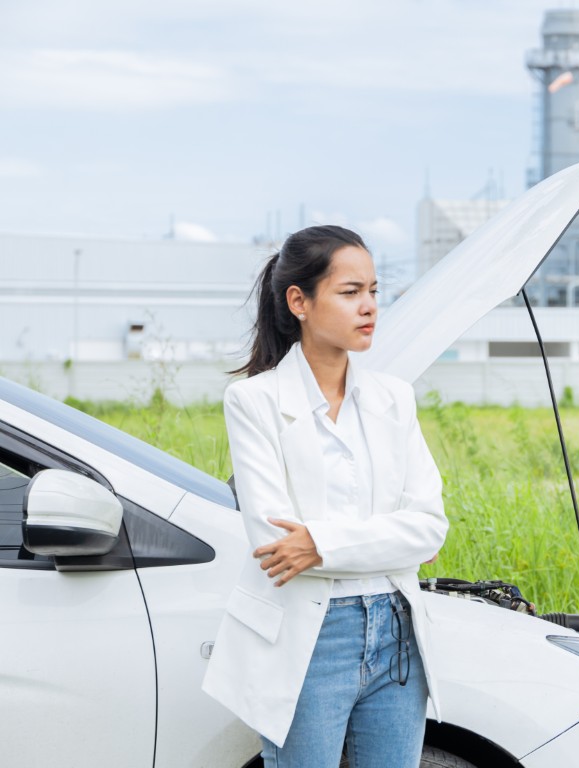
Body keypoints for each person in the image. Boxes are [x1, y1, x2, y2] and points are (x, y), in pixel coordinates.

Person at [202, 225, 448, 768]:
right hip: (312, 635)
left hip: (397, 632)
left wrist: (321, 542)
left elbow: (429, 527)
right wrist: (387, 540)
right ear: (299, 301)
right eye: (350, 291)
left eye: (375, 291)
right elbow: (276, 544)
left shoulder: (394, 399)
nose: (370, 307)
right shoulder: (254, 401)